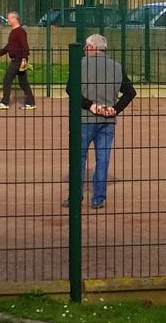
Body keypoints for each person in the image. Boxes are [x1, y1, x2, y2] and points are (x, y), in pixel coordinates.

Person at [63, 34, 137, 209]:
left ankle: (75, 197)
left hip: (84, 119)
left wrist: (90, 106)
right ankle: (98, 198)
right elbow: (130, 92)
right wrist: (115, 109)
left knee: (79, 158)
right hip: (108, 120)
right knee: (103, 158)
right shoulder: (117, 67)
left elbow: (70, 89)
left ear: (90, 48)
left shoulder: (80, 64)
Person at [0, 11, 36, 110]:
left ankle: (5, 102)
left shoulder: (20, 31)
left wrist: (24, 59)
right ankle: (31, 103)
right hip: (17, 60)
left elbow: (25, 46)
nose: (8, 20)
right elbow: (9, 46)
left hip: (18, 60)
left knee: (7, 80)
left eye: (9, 18)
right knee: (23, 83)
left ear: (15, 19)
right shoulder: (14, 32)